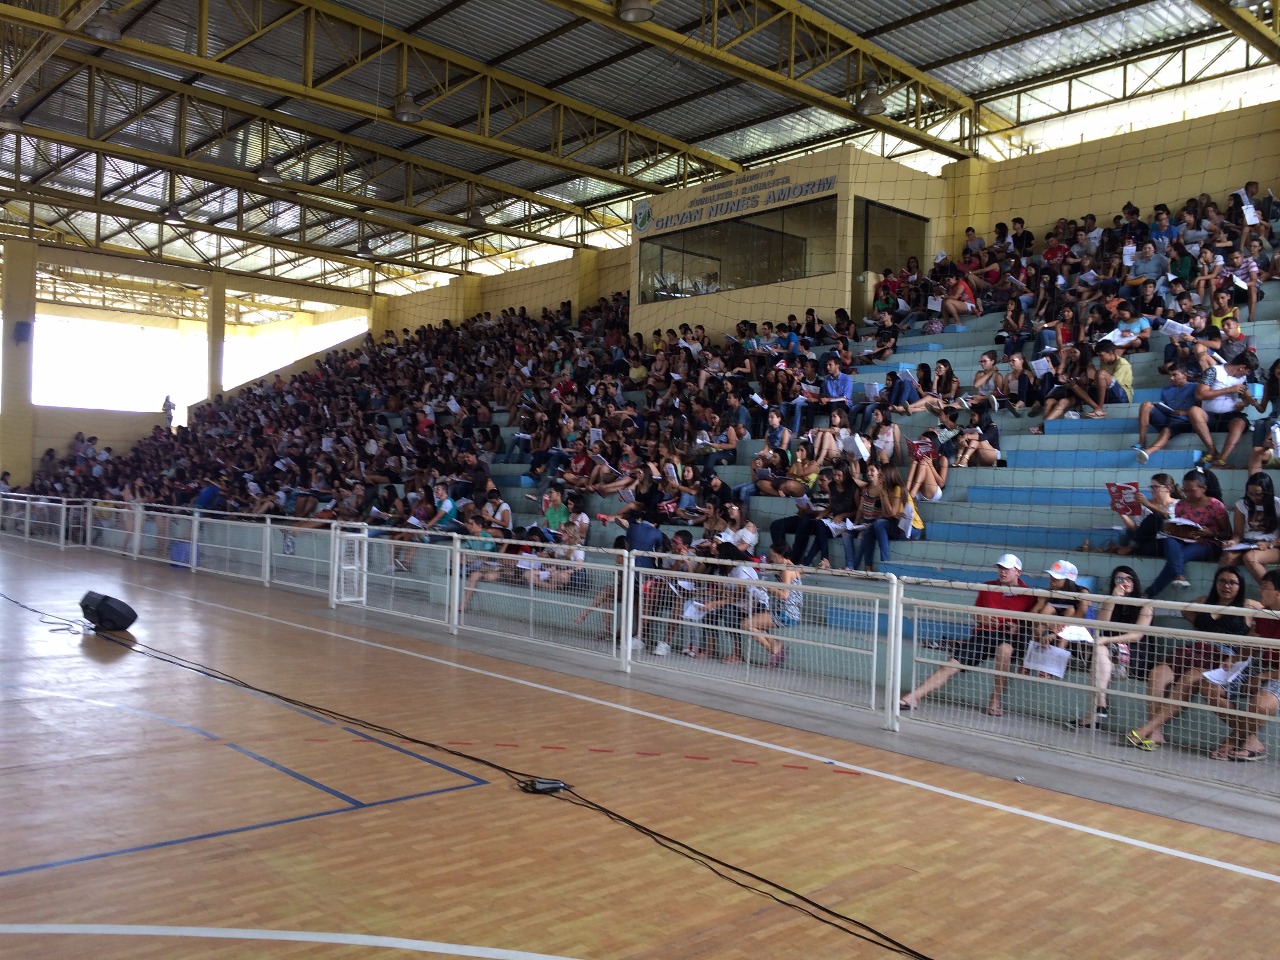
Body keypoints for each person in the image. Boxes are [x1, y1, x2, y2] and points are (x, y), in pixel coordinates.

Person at [1127, 569, 1259, 752]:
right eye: (1222, 581)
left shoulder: (1247, 608)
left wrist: (1248, 602)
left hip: (1221, 658)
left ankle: (1147, 729)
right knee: (1157, 673)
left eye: (1232, 582)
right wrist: (1203, 601)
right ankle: (1156, 732)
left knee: (1188, 678)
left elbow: (1268, 609)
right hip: (1194, 650)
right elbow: (1185, 609)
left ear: (1241, 585)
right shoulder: (1206, 602)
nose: (1226, 586)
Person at [899, 553, 1036, 717]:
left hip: (1008, 639)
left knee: (1005, 650)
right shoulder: (987, 587)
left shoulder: (1029, 595)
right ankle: (913, 697)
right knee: (950, 664)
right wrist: (985, 619)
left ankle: (996, 699)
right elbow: (976, 616)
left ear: (1018, 572)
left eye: (1007, 568)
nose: (1002, 572)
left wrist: (1017, 626)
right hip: (984, 636)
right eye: (1000, 568)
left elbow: (1033, 623)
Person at [1072, 566, 1154, 728]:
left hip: (1137, 651)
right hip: (1110, 649)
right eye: (1119, 579)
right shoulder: (1111, 601)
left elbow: (1136, 635)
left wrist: (1107, 640)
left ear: (1135, 581)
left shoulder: (1145, 603)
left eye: (1128, 578)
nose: (1124, 582)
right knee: (1100, 650)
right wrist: (1113, 601)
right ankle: (1100, 703)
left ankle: (1093, 714)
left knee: (1100, 649)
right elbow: (1100, 625)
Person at [1144, 468, 1229, 596]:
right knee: (1169, 540)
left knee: (1179, 556)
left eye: (1192, 491)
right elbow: (1175, 525)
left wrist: (1211, 533)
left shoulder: (1215, 505)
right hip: (1184, 539)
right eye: (1185, 490)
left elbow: (1228, 533)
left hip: (1207, 542)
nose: (1188, 494)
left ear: (1203, 488)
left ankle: (1149, 593)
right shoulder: (1180, 505)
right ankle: (1179, 575)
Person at [1188, 351, 1258, 468]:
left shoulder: (1243, 378)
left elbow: (1246, 398)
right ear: (1242, 367)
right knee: (1194, 411)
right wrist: (1228, 390)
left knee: (1240, 422)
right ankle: (1212, 450)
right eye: (1248, 371)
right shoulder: (1213, 371)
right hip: (1209, 415)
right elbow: (1200, 395)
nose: (1247, 374)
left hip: (1230, 415)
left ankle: (1221, 460)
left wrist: (1244, 403)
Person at [741, 542, 803, 668]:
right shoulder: (790, 567)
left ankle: (775, 648)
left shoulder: (787, 570)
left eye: (773, 556)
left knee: (746, 624)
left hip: (786, 612)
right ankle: (775, 648)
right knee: (755, 625)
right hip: (789, 611)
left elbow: (785, 595)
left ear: (781, 555)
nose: (772, 559)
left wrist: (766, 587)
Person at [1219, 472, 1280, 584]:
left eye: (1258, 494)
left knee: (1250, 557)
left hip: (1272, 545)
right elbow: (1238, 534)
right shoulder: (1242, 505)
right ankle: (1221, 595)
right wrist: (1233, 541)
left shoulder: (1277, 504)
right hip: (1247, 543)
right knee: (1227, 557)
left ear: (1267, 492)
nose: (1254, 498)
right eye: (1250, 494)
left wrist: (1269, 544)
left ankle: (1270, 591)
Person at [1133, 366, 1197, 463]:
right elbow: (1166, 405)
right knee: (1146, 405)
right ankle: (1141, 442)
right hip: (1169, 415)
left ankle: (1147, 453)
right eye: (1170, 375)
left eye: (1175, 375)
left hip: (1184, 420)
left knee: (1166, 430)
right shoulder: (1166, 390)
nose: (1171, 378)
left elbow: (1201, 408)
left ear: (1184, 374)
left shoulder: (1195, 387)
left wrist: (1186, 412)